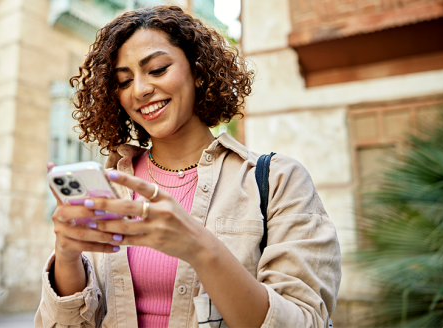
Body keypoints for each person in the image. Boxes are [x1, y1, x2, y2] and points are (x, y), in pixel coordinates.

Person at [36, 5, 340, 328]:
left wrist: (199, 247)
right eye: (124, 82)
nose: (139, 89)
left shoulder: (277, 182)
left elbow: (306, 320)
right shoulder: (111, 188)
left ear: (197, 70)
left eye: (157, 69)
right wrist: (67, 258)